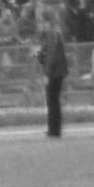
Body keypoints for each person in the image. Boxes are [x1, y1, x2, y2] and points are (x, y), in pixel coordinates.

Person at [34, 9, 69, 139]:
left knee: (52, 100)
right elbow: (47, 53)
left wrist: (46, 74)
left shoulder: (52, 33)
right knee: (53, 100)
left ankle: (54, 130)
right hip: (57, 71)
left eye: (42, 21)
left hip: (55, 72)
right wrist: (39, 54)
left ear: (47, 21)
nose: (40, 24)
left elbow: (52, 56)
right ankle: (53, 128)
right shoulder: (52, 33)